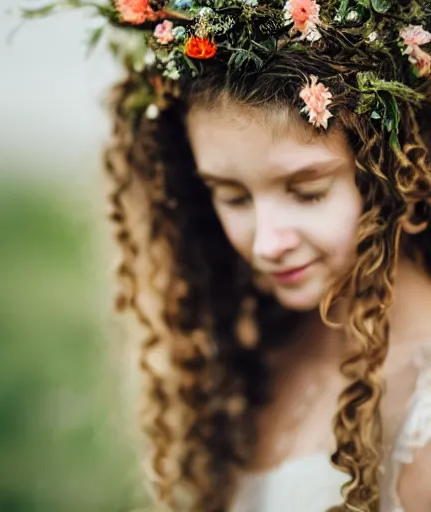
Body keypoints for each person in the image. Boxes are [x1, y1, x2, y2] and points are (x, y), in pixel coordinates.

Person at [87, 0, 431, 510]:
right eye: (232, 196)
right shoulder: (258, 346)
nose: (268, 243)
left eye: (307, 191)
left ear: (398, 168)